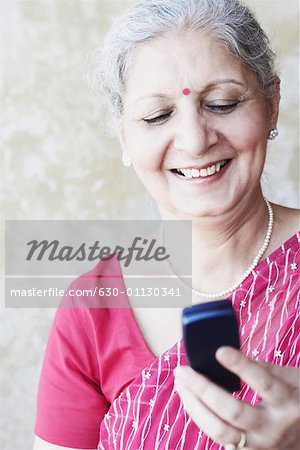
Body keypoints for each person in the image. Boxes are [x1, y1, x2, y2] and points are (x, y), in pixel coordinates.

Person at [33, 0, 300, 449]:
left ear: (271, 106)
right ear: (124, 135)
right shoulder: (91, 309)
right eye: (158, 115)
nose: (196, 141)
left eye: (222, 103)